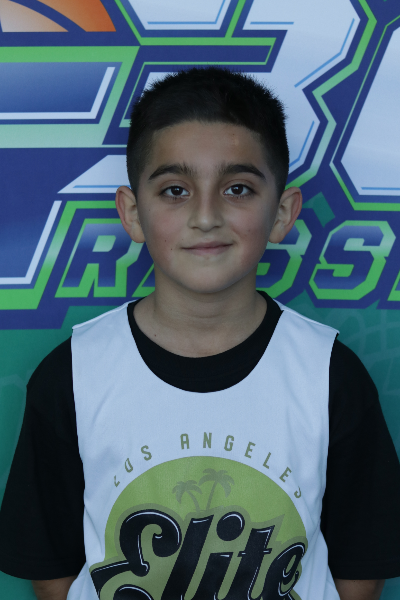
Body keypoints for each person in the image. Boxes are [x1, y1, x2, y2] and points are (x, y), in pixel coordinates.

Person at [0, 67, 400, 600]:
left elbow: (360, 568)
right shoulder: (72, 374)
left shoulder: (330, 376)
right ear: (132, 213)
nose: (206, 216)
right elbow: (48, 567)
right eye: (175, 190)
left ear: (282, 213)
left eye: (237, 189)